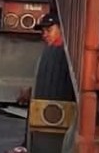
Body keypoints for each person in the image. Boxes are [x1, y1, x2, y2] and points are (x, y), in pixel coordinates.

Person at [6, 13, 66, 153]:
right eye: (43, 31)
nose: (45, 35)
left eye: (49, 30)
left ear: (62, 29)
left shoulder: (62, 53)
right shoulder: (51, 52)